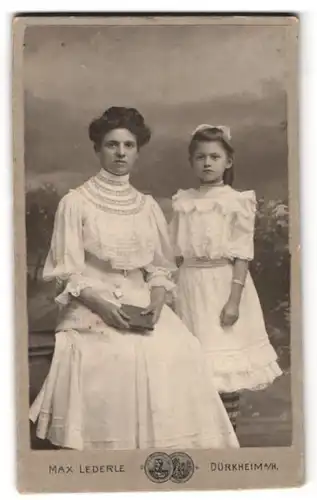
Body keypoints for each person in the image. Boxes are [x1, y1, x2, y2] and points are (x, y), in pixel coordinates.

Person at [29, 109, 239, 450]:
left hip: (140, 301)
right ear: (98, 149)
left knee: (181, 348)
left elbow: (160, 267)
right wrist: (101, 305)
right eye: (112, 145)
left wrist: (157, 301)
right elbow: (66, 271)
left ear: (138, 150)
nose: (121, 153)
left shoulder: (146, 206)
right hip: (91, 300)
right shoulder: (76, 202)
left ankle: (166, 451)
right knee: (119, 355)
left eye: (129, 145)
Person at [169, 124, 283, 431]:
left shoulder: (237, 201)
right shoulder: (183, 201)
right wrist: (170, 290)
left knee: (222, 365)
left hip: (222, 285)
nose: (207, 163)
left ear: (227, 162)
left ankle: (228, 433)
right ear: (191, 161)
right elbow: (174, 253)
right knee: (194, 364)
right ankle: (202, 432)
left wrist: (233, 301)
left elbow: (242, 254)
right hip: (189, 286)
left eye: (214, 157)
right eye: (200, 157)